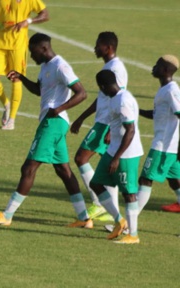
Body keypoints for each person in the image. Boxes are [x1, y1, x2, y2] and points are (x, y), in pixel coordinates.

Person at [0, 33, 92, 228]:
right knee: (63, 170)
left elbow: (81, 93)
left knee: (29, 168)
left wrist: (58, 109)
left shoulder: (60, 66)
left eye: (32, 52)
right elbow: (40, 90)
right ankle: (84, 218)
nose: (31, 56)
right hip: (53, 122)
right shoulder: (45, 67)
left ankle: (7, 215)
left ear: (43, 48)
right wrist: (22, 78)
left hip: (54, 123)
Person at [70, 32, 127, 221]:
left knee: (81, 158)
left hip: (106, 124)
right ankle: (112, 214)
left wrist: (111, 128)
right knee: (108, 167)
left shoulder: (117, 69)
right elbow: (103, 97)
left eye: (98, 45)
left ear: (108, 47)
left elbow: (119, 98)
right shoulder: (109, 67)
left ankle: (99, 204)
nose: (95, 48)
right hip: (103, 122)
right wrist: (81, 117)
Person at [89, 70, 143, 244]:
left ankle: (133, 234)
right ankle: (120, 219)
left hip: (126, 155)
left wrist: (117, 158)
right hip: (113, 150)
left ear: (103, 86)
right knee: (96, 183)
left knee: (128, 193)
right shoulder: (115, 99)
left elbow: (131, 130)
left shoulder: (123, 101)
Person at [0, 0, 49, 130]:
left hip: (18, 45)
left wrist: (28, 21)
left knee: (16, 79)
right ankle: (6, 105)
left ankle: (11, 119)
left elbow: (45, 14)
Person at [132, 56, 180, 214]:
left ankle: (127, 223)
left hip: (163, 147)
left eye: (158, 65)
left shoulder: (172, 90)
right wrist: (135, 111)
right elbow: (157, 114)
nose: (153, 67)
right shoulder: (164, 89)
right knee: (175, 181)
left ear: (166, 70)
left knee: (145, 180)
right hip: (168, 147)